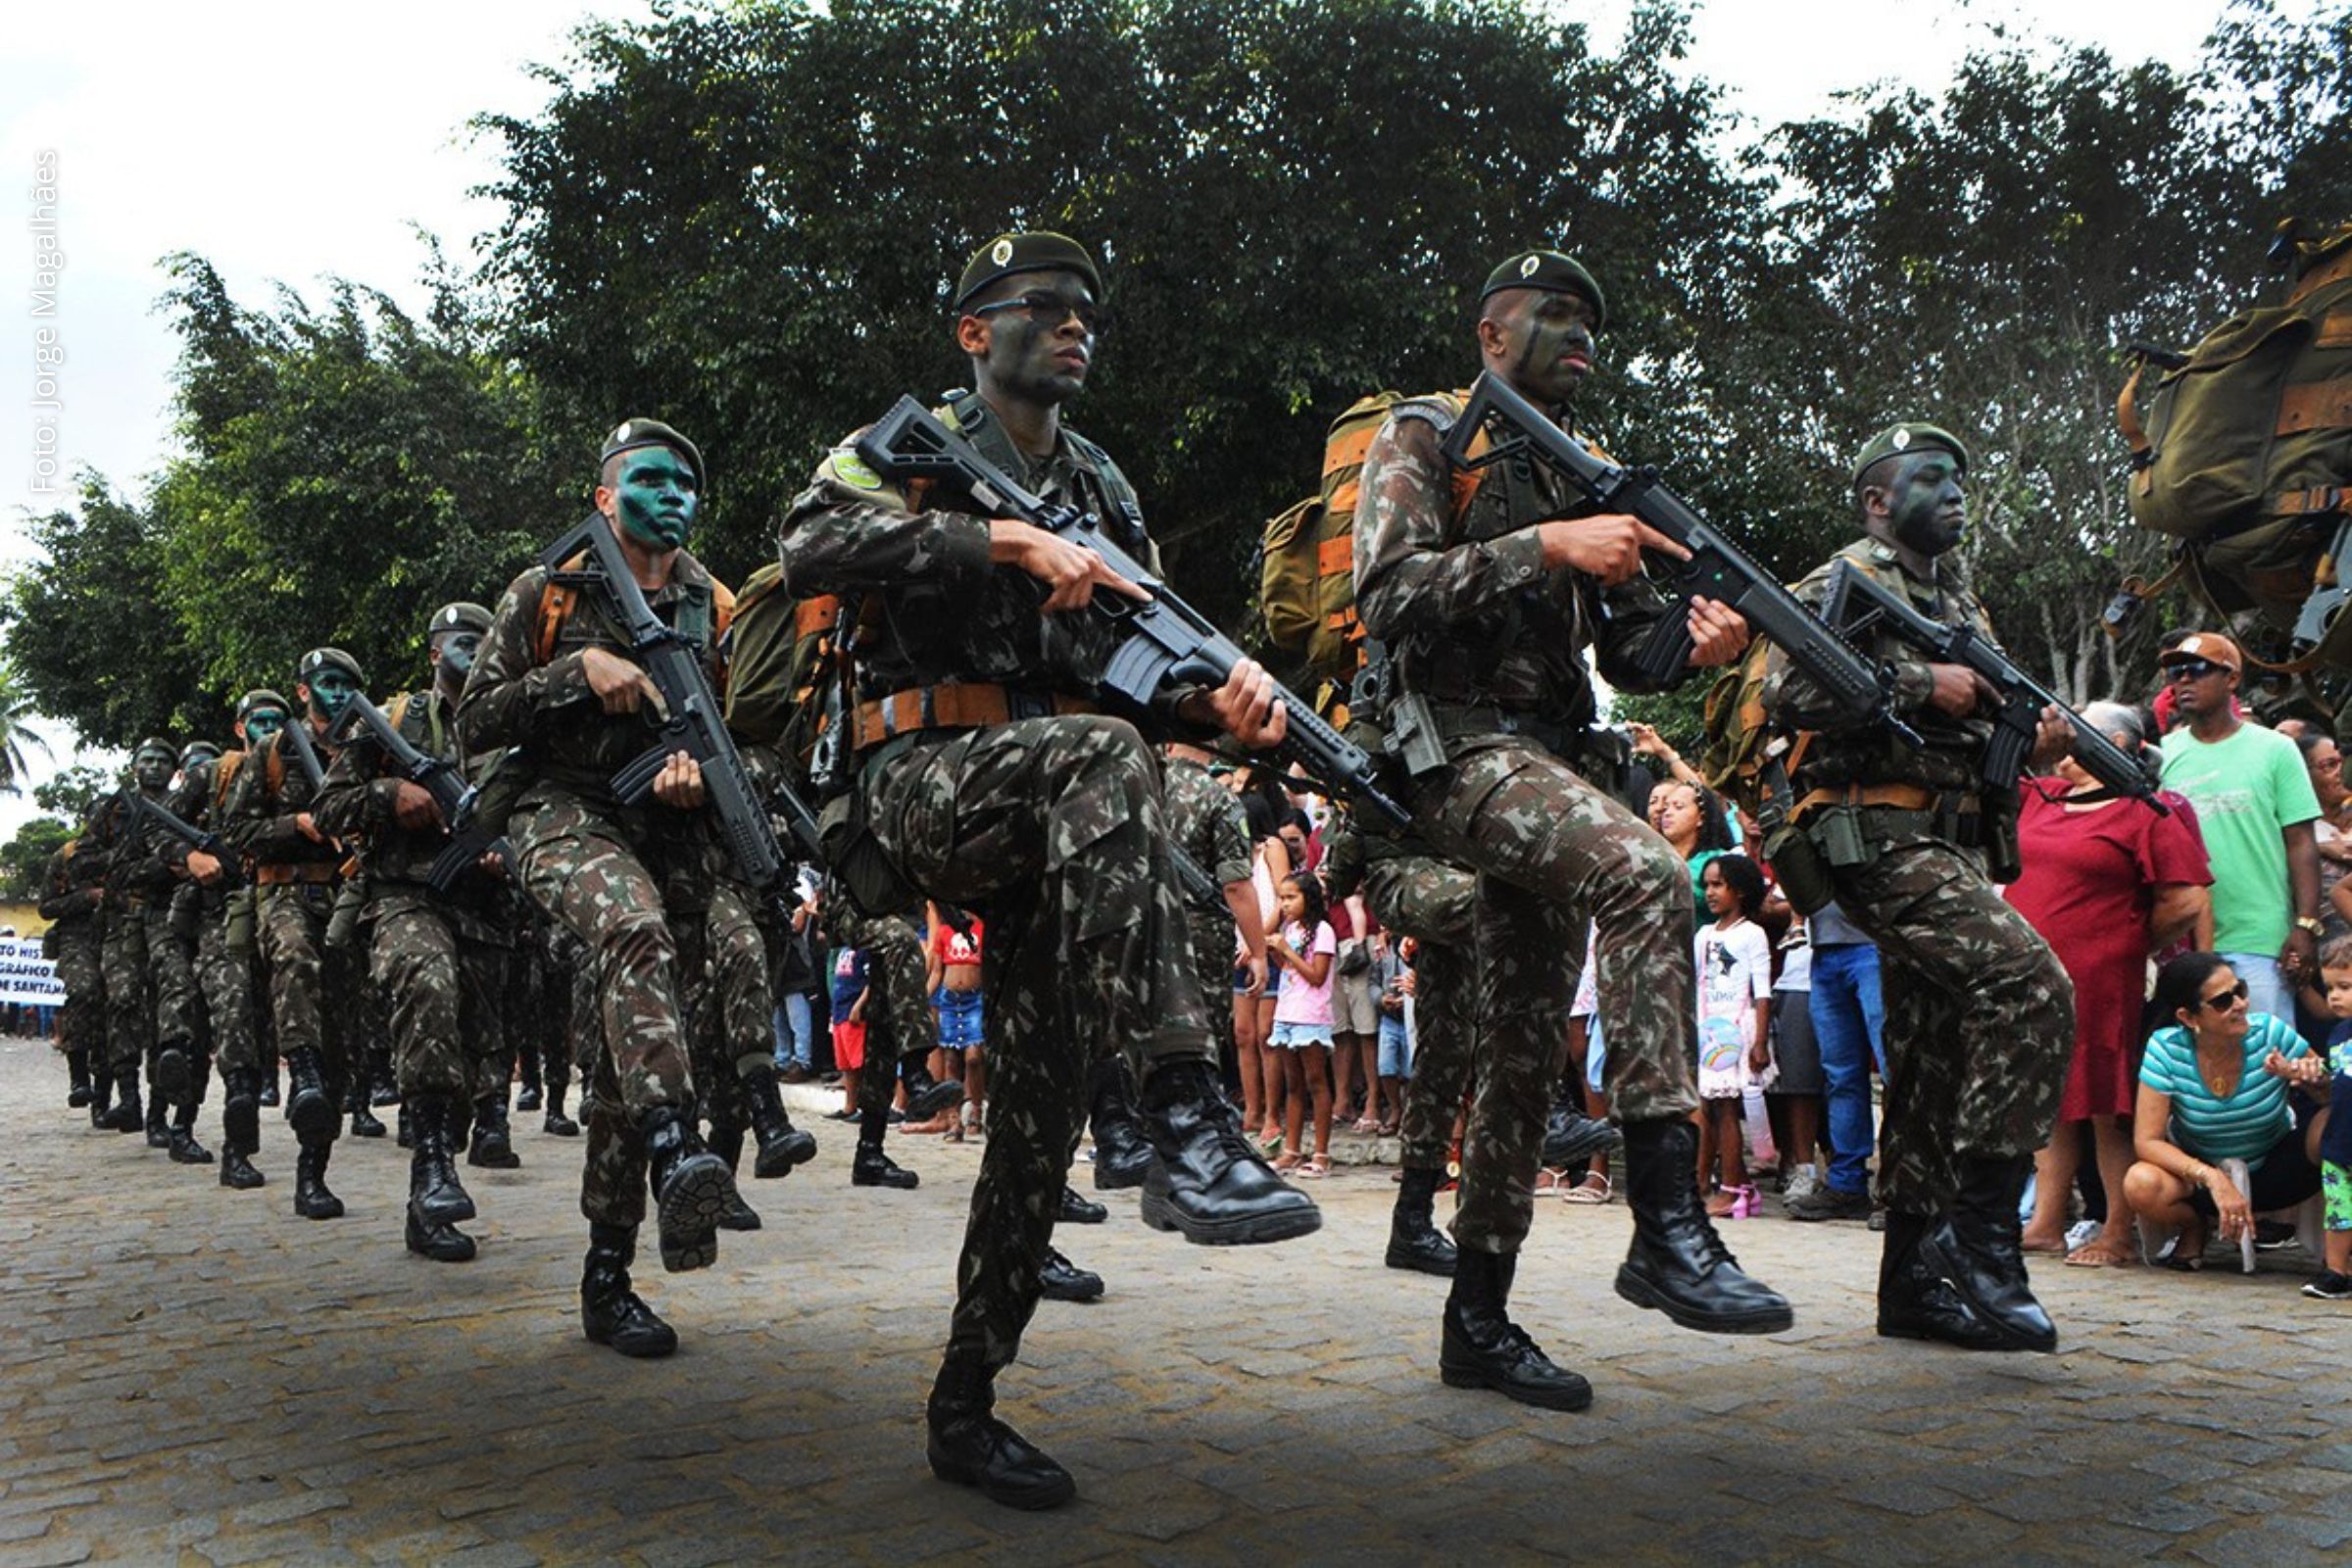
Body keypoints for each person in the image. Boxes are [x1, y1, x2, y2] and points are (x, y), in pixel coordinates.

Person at [774, 230, 1313, 1507]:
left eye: (1087, 313)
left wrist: (1222, 706)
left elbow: (1143, 664)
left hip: (1070, 824)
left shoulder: (1103, 484)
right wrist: (1006, 545)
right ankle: (1181, 1105)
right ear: (975, 331)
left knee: (1035, 1105)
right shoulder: (906, 451)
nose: (1076, 326)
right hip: (921, 785)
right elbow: (806, 542)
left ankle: (965, 1405)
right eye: (1047, 306)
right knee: (1110, 763)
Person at [1353, 246, 1790, 1416]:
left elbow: (1633, 652)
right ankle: (1665, 1219)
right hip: (1450, 749)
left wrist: (1696, 644)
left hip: (1548, 760)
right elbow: (1385, 590)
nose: (1582, 334)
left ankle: (1478, 1321)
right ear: (1492, 337)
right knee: (1647, 872)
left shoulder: (1587, 474)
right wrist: (1546, 546)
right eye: (1555, 314)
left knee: (1518, 1051)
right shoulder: (1427, 436)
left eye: (1593, 320)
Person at [1761, 421, 2075, 1353]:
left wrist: (2031, 737)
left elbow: (1969, 727)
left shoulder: (1960, 598)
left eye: (1961, 480)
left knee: (1931, 1057)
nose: (1955, 493)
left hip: (1950, 843)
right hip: (1878, 838)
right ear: (1877, 500)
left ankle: (1910, 1286)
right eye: (1931, 478)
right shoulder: (1839, 579)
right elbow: (1786, 691)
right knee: (2030, 982)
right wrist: (1916, 680)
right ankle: (1984, 1240)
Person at [461, 418, 752, 1359]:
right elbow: (474, 721)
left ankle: (609, 1272)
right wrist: (573, 673)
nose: (673, 497)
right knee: (632, 929)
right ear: (604, 497)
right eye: (651, 480)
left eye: (686, 485)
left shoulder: (718, 607)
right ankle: (675, 1145)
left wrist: (704, 776)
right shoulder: (546, 591)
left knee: (650, 1033)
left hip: (671, 829)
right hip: (561, 808)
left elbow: (755, 737)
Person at [313, 603, 515, 1262]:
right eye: (461, 640)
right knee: (428, 987)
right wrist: (387, 795)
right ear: (434, 653)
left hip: (482, 909)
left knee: (471, 1056)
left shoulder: (510, 723)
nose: (473, 649)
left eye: (483, 640)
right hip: (405, 896)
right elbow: (328, 807)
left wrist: (507, 849)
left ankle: (425, 1205)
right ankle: (432, 1166)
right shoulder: (392, 722)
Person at [2004, 701, 2212, 1268]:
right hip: (2033, 973)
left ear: (2117, 744)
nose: (2063, 733)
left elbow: (2187, 898)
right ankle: (2046, 1223)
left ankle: (2119, 1231)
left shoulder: (2144, 810)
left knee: (2106, 1103)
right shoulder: (2043, 794)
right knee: (2053, 1097)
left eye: (2078, 727)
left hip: (2100, 974)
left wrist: (2124, 940)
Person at [220, 653, 374, 1218]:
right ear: (304, 691)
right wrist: (298, 825)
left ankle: (313, 1174)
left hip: (348, 897)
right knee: (293, 955)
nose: (337, 694)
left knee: (340, 1036)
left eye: (347, 685)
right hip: (284, 893)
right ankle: (299, 1068)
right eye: (326, 684)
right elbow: (236, 832)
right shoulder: (272, 752)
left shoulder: (368, 747)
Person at [2122, 953, 2329, 1268]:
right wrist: (2212, 1178)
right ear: (2188, 1018)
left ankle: (2339, 1245)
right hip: (2202, 1174)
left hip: (2276, 1165)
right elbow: (2147, 1141)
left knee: (2337, 1125)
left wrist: (2314, 1080)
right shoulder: (2165, 1049)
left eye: (2240, 990)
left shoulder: (2270, 1032)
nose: (2241, 1004)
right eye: (2222, 1001)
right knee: (2140, 1183)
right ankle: (2194, 1227)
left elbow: (2332, 1097)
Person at [2156, 634, 2322, 1024]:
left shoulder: (2275, 749)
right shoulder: (2163, 754)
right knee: (2191, 1060)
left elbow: (2301, 843)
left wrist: (2305, 925)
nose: (2184, 680)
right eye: (2176, 672)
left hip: (2259, 939)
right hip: (2182, 941)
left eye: (2197, 670)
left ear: (2231, 679)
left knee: (2263, 1054)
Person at [162, 692, 285, 1190]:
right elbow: (157, 829)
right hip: (219, 917)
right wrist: (190, 858)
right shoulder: (210, 775)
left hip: (278, 911)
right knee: (233, 1022)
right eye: (260, 721)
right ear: (239, 728)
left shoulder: (291, 773)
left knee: (259, 1024)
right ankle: (230, 1148)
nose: (269, 728)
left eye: (278, 721)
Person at [1695, 856, 1772, 1219]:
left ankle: (1730, 1190)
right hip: (1709, 1033)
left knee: (1727, 1109)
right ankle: (1729, 1184)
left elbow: (1763, 991)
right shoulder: (1704, 935)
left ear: (1739, 890)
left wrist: (1760, 1041)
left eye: (1718, 885)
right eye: (1707, 885)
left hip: (1738, 1030)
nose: (1710, 892)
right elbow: (1699, 983)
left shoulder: (1751, 934)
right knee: (1707, 1107)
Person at [1266, 871, 1339, 1179]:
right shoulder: (1291, 928)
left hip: (1310, 1015)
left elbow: (1316, 976)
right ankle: (1292, 1150)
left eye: (1291, 897)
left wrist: (1285, 949)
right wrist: (1276, 952)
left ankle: (1321, 1153)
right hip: (1286, 1012)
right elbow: (1289, 970)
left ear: (1308, 898)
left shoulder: (1323, 931)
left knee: (1316, 1082)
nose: (1284, 904)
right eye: (1281, 898)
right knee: (1292, 1084)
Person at [37, 837, 108, 1121]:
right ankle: (79, 1077)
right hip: (76, 937)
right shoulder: (66, 855)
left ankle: (104, 1097)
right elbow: (46, 907)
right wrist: (87, 898)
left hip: (117, 935)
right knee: (82, 991)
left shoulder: (129, 848)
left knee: (112, 1009)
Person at [2310, 941, 2352, 1299]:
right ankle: (2336, 1272)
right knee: (2338, 1212)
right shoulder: (2337, 1035)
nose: (2334, 996)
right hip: (2340, 1142)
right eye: (2329, 988)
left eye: (2345, 987)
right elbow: (2333, 1081)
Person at [926, 904, 987, 1141]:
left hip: (975, 999)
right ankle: (954, 1119)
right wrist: (924, 998)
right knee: (951, 1059)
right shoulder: (944, 932)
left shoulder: (982, 929)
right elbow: (937, 972)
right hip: (950, 1000)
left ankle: (976, 1108)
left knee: (974, 1057)